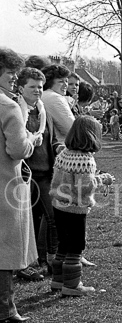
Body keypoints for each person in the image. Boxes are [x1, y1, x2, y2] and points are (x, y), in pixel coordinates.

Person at [50, 115, 114, 296]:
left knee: (63, 244)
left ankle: (58, 280)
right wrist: (103, 179)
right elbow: (84, 186)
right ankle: (72, 285)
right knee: (76, 246)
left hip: (59, 205)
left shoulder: (64, 153)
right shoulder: (85, 159)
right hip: (75, 208)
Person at [0, 48, 42, 323]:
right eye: (11, 73)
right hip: (5, 182)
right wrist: (32, 141)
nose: (15, 78)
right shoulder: (9, 106)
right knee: (5, 244)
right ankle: (6, 307)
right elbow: (17, 149)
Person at [16, 68, 58, 283]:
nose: (37, 91)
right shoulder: (15, 110)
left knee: (53, 216)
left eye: (40, 87)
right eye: (32, 87)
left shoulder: (44, 112)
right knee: (28, 221)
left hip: (44, 174)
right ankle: (26, 264)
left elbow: (51, 141)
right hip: (22, 176)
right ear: (21, 87)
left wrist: (59, 148)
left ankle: (50, 260)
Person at [40, 65, 75, 147]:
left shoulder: (42, 95)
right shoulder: (55, 98)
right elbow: (71, 129)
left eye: (66, 81)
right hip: (59, 148)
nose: (65, 85)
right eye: (61, 81)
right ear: (50, 82)